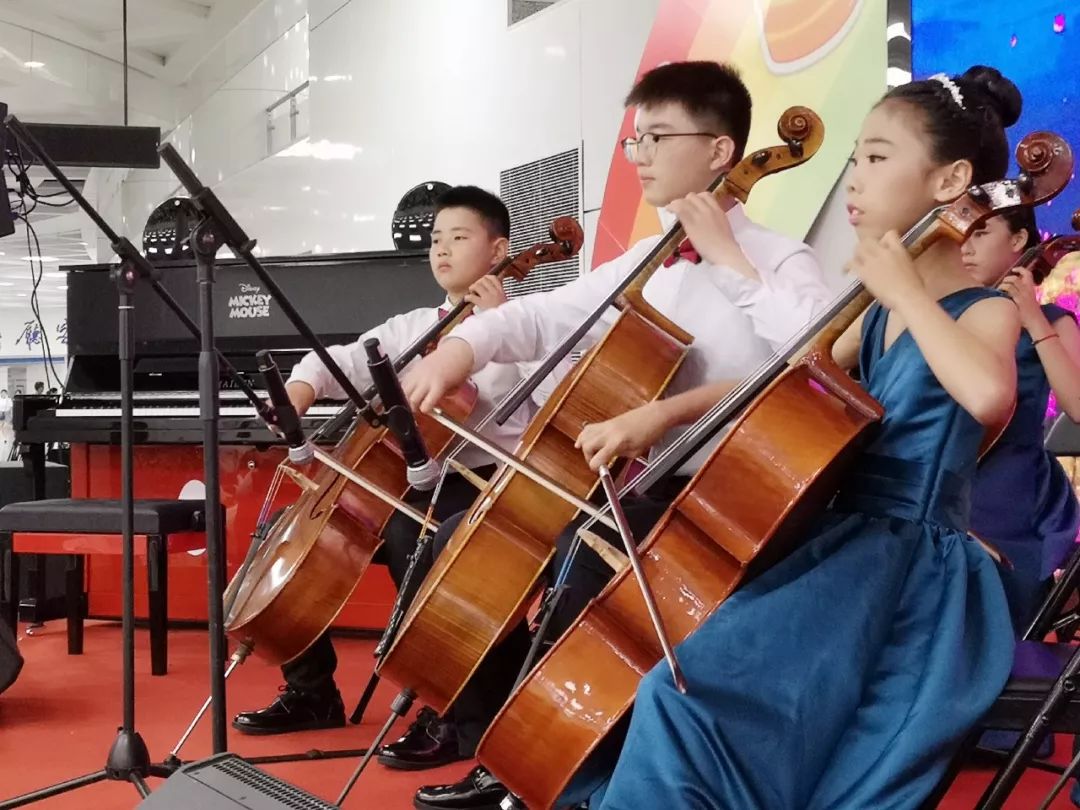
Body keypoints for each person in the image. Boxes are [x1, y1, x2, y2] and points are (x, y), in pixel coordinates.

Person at [555, 65, 1023, 809]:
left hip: (909, 572)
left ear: (952, 180)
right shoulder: (874, 312)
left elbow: (989, 396)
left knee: (703, 701)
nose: (855, 177)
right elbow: (786, 375)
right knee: (684, 692)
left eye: (876, 157)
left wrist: (904, 289)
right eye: (855, 158)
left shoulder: (983, 309)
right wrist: (663, 415)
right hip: (844, 544)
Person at [401, 60, 833, 809]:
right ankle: (511, 743)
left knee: (581, 561)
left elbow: (813, 360)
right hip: (655, 487)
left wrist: (728, 264)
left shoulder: (780, 259)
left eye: (657, 137)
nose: (639, 155)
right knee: (470, 544)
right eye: (636, 139)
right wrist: (460, 349)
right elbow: (543, 315)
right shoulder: (649, 260)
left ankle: (567, 766)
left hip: (740, 497)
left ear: (721, 151)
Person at [231, 187, 538, 770]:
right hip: (408, 479)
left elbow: (546, 404)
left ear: (499, 251)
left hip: (486, 478)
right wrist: (298, 392)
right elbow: (335, 362)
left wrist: (497, 326)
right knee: (284, 531)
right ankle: (312, 692)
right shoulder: (413, 327)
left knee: (410, 536)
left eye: (459, 237)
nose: (441, 250)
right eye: (435, 239)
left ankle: (453, 709)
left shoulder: (527, 324)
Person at [963, 208, 1080, 633]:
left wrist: (1032, 318)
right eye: (964, 234)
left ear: (1018, 241)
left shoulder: (1051, 319)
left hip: (1007, 480)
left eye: (981, 233)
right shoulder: (947, 312)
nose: (965, 246)